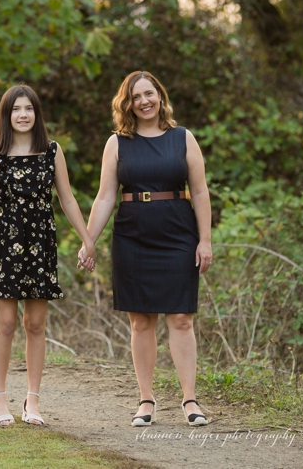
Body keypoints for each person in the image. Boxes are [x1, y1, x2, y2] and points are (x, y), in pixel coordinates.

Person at [77, 71, 214, 428]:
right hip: (132, 235)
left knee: (181, 318)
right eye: (136, 96)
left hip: (178, 233)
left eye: (149, 93)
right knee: (140, 321)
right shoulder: (117, 143)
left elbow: (199, 191)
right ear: (128, 103)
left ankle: (190, 399)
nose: (144, 101)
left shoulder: (183, 138)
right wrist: (88, 241)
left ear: (160, 96)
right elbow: (106, 196)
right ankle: (146, 400)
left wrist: (205, 239)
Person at [0, 85, 91, 427]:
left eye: (28, 109)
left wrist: (87, 239)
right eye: (15, 109)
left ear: (37, 114)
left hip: (40, 245)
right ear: (6, 115)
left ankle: (32, 401)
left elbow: (66, 198)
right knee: (5, 324)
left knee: (35, 325)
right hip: (4, 245)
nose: (22, 114)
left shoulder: (51, 151)